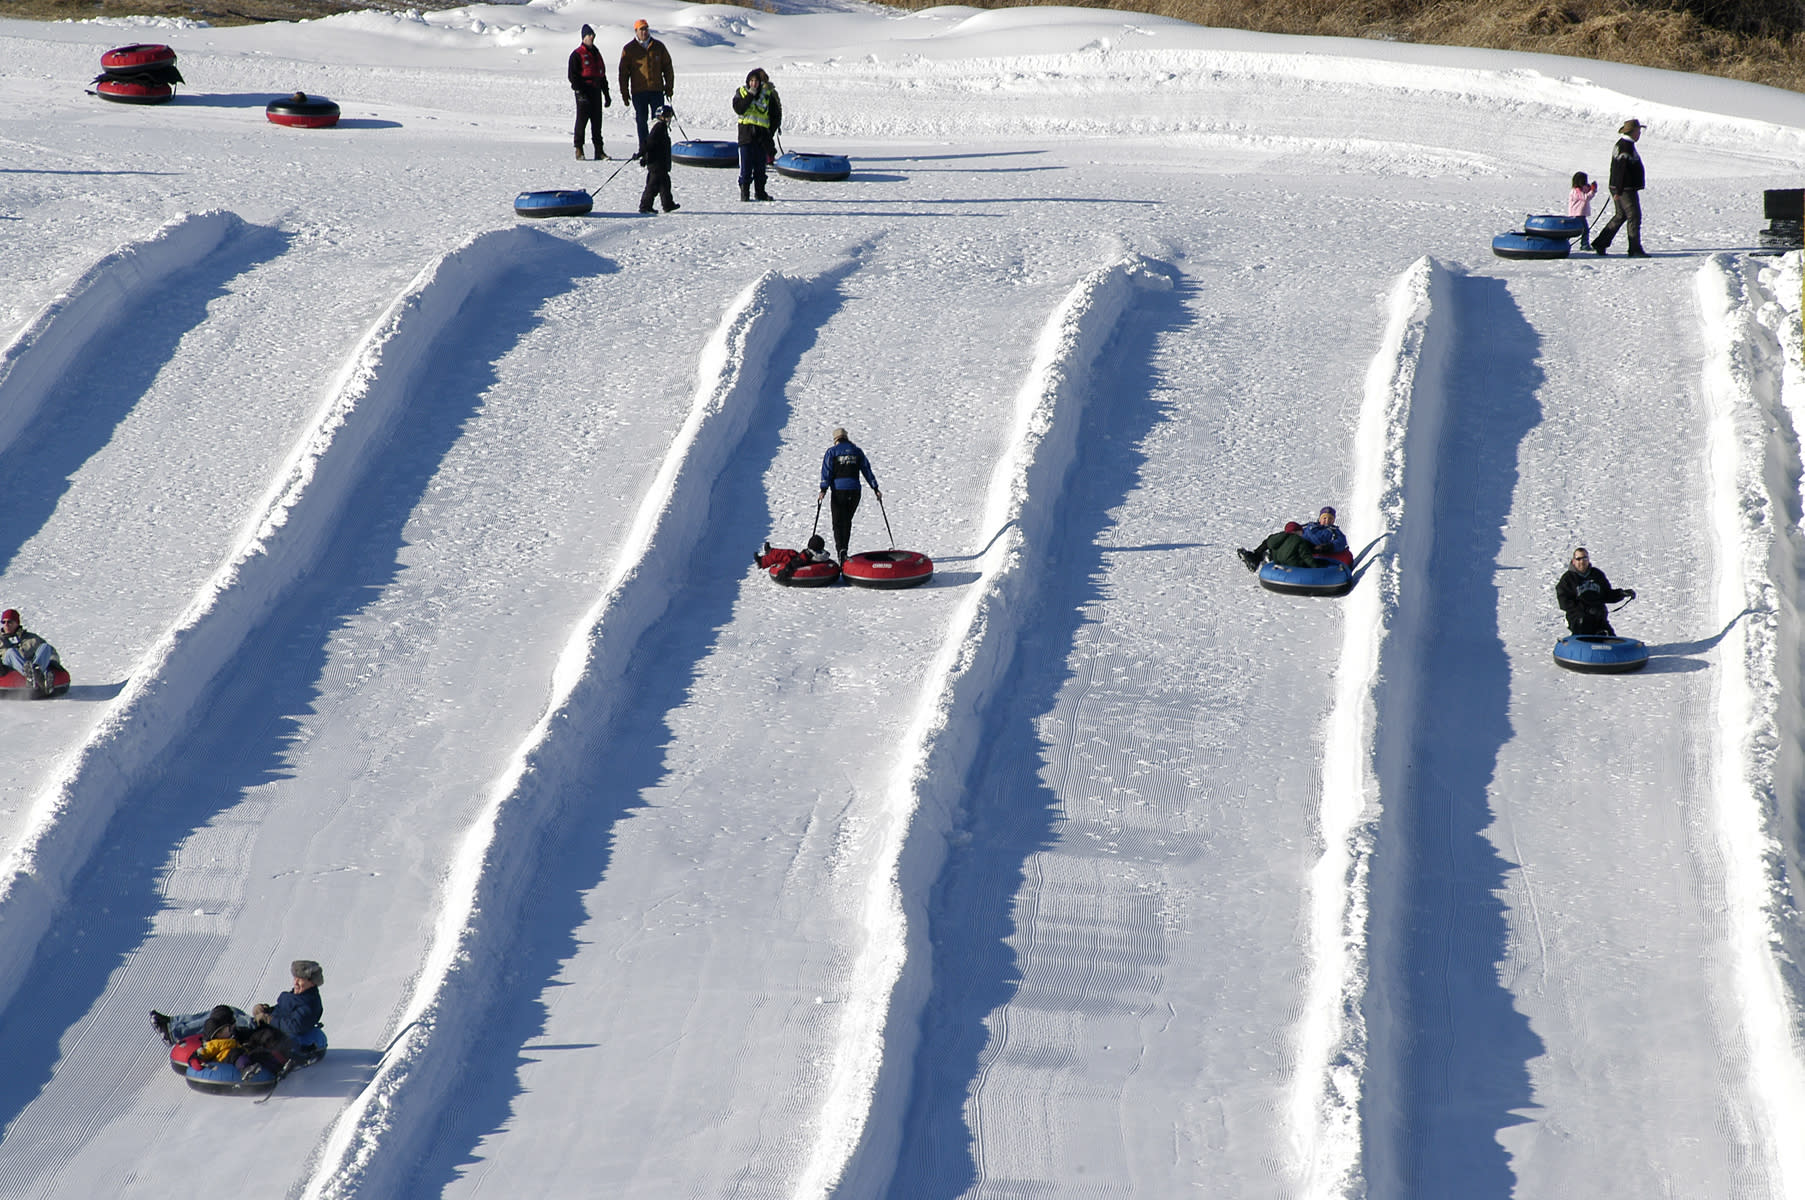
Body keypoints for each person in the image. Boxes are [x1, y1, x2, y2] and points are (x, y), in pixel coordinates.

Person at [152, 959, 325, 1051]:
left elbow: (293, 1026)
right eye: (295, 978)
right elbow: (282, 1011)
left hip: (270, 1034)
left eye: (300, 979)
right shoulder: (298, 994)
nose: (295, 982)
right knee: (225, 1010)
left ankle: (175, 1033)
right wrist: (266, 1009)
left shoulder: (310, 1005)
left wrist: (267, 1018)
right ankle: (174, 1022)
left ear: (311, 982)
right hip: (265, 1024)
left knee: (227, 1019)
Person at [819, 428, 880, 563]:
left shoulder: (832, 452)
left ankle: (841, 550)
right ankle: (844, 549)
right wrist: (875, 488)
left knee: (837, 522)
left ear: (836, 440)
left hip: (838, 491)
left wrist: (823, 489)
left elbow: (826, 471)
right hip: (855, 491)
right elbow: (866, 470)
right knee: (846, 521)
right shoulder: (857, 451)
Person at [618, 18, 674, 161]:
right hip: (639, 92)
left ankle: (659, 148)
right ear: (636, 31)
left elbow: (667, 67)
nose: (644, 32)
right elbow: (624, 72)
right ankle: (645, 150)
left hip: (656, 90)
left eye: (646, 29)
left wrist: (669, 87)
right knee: (641, 121)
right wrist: (624, 93)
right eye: (641, 29)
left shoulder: (658, 46)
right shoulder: (629, 49)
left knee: (659, 121)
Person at [1592, 119, 1648, 257]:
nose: (1639, 134)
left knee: (1621, 215)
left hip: (1620, 187)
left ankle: (1601, 242)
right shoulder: (1626, 146)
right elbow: (1621, 170)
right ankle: (1634, 248)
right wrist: (1619, 189)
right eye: (1638, 131)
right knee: (1634, 216)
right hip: (1625, 189)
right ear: (1632, 132)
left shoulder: (1622, 144)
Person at [1555, 547, 1634, 635]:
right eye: (1578, 559)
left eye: (1585, 558)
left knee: (1609, 636)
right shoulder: (1568, 579)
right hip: (1578, 617)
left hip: (1598, 616)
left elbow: (1606, 594)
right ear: (1573, 561)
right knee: (1584, 629)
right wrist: (1585, 609)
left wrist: (1621, 593)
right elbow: (1564, 602)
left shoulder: (1597, 574)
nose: (1582, 561)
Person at [732, 67, 781, 203]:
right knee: (746, 167)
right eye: (752, 81)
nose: (754, 83)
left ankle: (760, 192)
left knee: (760, 167)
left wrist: (769, 132)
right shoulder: (741, 92)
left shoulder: (768, 95)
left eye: (757, 81)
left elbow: (775, 114)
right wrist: (750, 95)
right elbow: (739, 108)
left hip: (762, 137)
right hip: (746, 136)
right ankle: (745, 193)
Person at [567, 24, 613, 161]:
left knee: (597, 122)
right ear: (583, 37)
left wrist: (606, 94)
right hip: (583, 90)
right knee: (582, 121)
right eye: (589, 35)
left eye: (593, 35)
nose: (592, 37)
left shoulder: (597, 54)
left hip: (596, 90)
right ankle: (579, 149)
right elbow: (572, 75)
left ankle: (599, 150)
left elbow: (602, 75)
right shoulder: (577, 54)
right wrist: (579, 91)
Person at [1, 608, 61, 697]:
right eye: (3, 622)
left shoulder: (32, 638)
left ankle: (37, 672)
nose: (6, 625)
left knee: (45, 647)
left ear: (17, 623)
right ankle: (31, 675)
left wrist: (52, 663)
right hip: (8, 666)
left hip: (32, 663)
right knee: (11, 652)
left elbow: (51, 653)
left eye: (9, 622)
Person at [637, 104, 680, 215]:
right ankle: (645, 206)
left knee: (664, 184)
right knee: (653, 185)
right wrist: (642, 155)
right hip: (657, 163)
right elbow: (650, 143)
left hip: (659, 163)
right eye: (666, 115)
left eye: (670, 115)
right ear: (660, 116)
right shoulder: (659, 127)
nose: (669, 118)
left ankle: (668, 204)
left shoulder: (662, 127)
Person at [1237, 522, 1321, 570]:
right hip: (1293, 562)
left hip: (1281, 560)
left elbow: (1270, 542)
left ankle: (1259, 557)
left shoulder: (1280, 538)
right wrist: (1316, 567)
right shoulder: (1301, 538)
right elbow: (1306, 554)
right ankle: (1261, 557)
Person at [1569, 170, 1599, 250]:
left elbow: (1587, 192)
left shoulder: (1581, 189)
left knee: (1584, 230)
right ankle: (1584, 244)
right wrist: (1592, 191)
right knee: (1582, 230)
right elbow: (1585, 198)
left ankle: (1584, 244)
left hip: (1581, 214)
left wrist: (1592, 189)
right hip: (1576, 214)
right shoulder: (1576, 191)